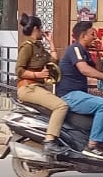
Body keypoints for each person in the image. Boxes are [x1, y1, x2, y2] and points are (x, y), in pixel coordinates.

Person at [56, 21, 103, 160]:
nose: (95, 37)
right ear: (83, 36)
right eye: (93, 34)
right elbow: (84, 69)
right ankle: (92, 146)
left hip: (79, 94)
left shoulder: (84, 51)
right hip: (69, 95)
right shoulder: (74, 49)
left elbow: (97, 69)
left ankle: (101, 146)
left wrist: (97, 51)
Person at [13, 13, 69, 159]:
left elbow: (53, 62)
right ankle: (50, 143)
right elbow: (19, 70)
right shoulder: (27, 47)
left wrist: (51, 42)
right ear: (36, 29)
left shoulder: (38, 47)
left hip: (37, 88)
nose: (42, 31)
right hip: (28, 88)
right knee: (61, 106)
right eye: (41, 29)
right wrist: (37, 75)